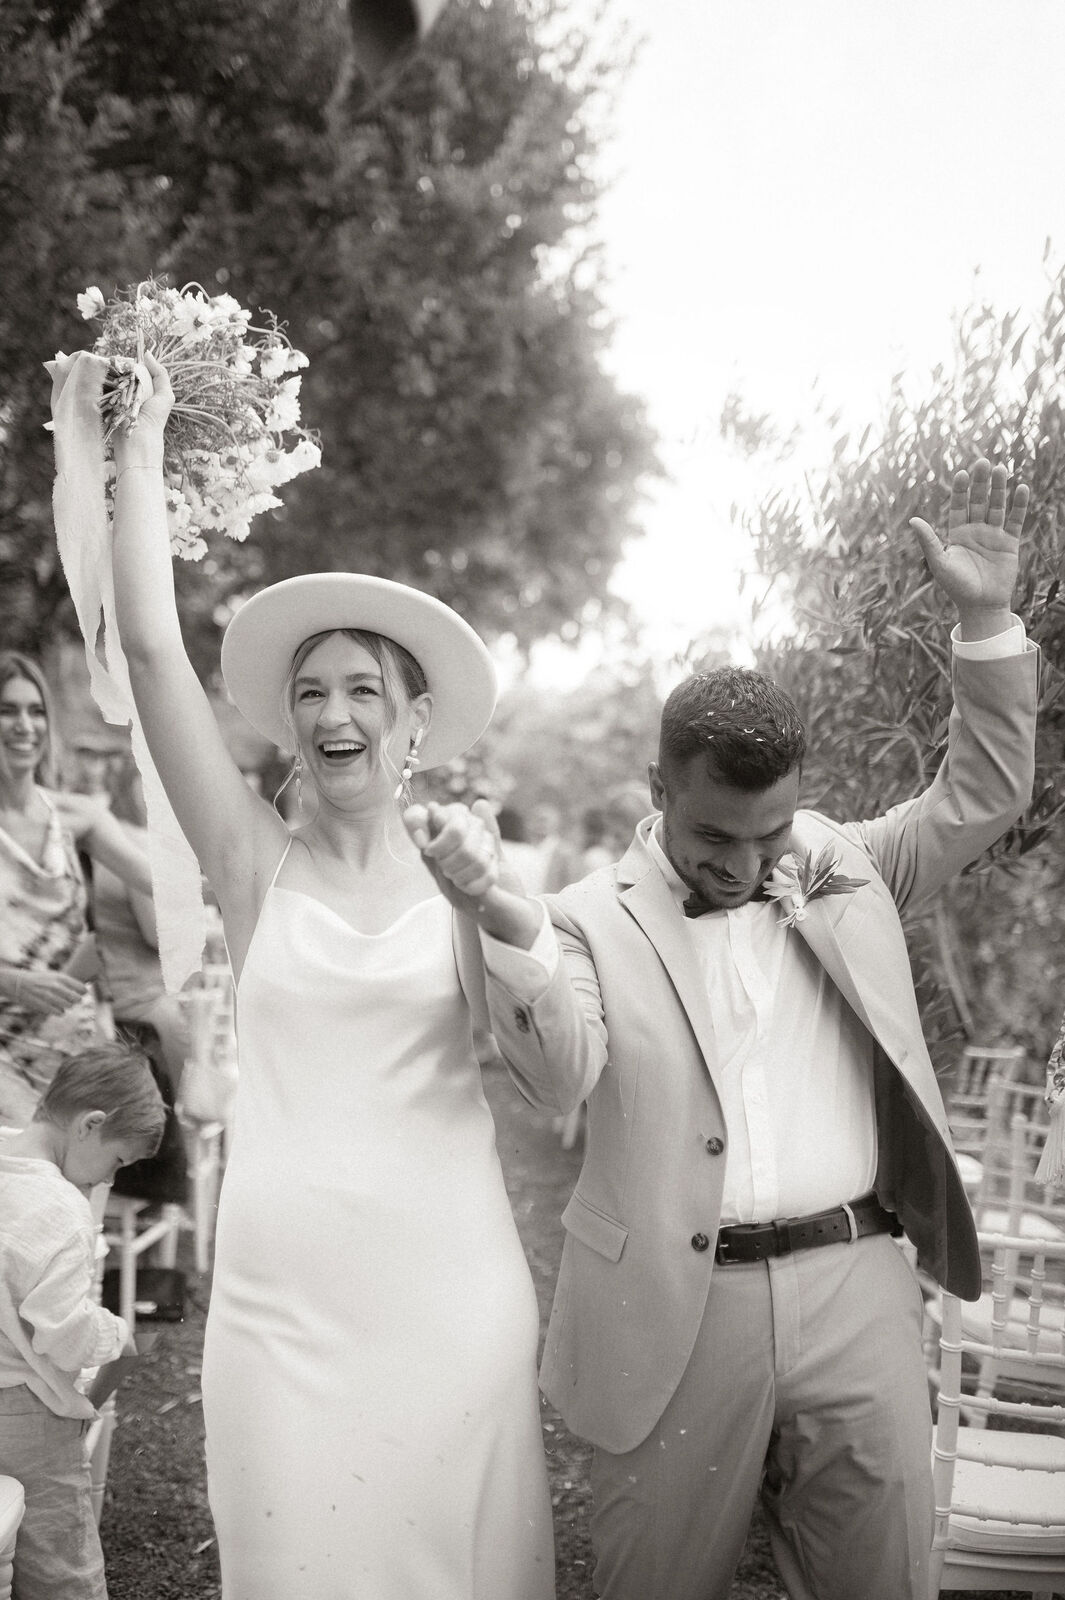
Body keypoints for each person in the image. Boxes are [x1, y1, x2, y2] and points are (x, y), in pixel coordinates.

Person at [432, 458, 1038, 1600]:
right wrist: (502, 918)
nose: (748, 863)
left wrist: (985, 618)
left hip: (857, 1279)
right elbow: (556, 1072)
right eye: (718, 834)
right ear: (655, 786)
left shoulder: (845, 861)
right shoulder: (582, 920)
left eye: (769, 836)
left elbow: (985, 792)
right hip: (673, 1306)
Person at [106, 354, 554, 1600]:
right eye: (311, 691)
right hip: (278, 1311)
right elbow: (151, 649)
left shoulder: (475, 879)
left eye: (365, 687)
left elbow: (555, 1068)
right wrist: (140, 434)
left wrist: (500, 915)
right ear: (290, 723)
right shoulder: (252, 864)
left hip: (451, 1304)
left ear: (414, 725)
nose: (333, 709)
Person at [0, 1040, 166, 1599]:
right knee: (58, 1563)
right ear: (90, 1125)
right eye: (116, 1163)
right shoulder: (63, 1212)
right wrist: (118, 1334)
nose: (105, 1183)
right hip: (24, 1409)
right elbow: (63, 1331)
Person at [0, 653, 153, 1125]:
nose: (25, 725)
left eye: (36, 710)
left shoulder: (77, 816)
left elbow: (163, 884)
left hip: (79, 1056)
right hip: (6, 1061)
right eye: (8, 710)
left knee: (87, 1190)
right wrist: (15, 983)